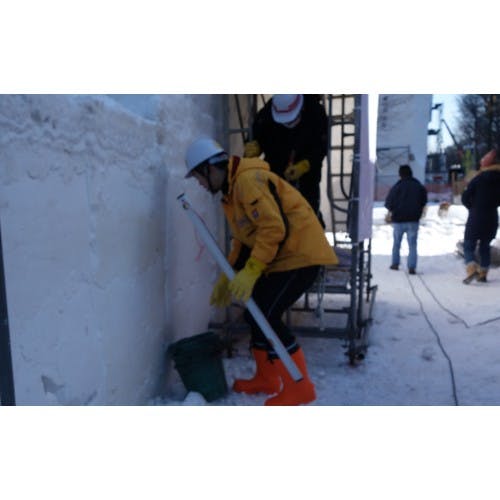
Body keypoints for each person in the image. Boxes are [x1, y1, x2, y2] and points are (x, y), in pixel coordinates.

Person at [184, 137, 338, 406]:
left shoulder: (247, 182)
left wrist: (253, 269)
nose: (199, 184)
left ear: (210, 168)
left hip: (300, 256)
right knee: (255, 313)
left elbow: (273, 229)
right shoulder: (231, 192)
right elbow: (243, 241)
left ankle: (300, 387)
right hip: (283, 258)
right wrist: (229, 275)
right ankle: (267, 378)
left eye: (198, 177)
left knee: (266, 315)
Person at [244, 94, 328, 226]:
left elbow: (321, 146)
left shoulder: (315, 112)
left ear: (300, 108)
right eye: (284, 122)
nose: (287, 124)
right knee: (274, 208)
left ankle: (313, 232)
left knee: (308, 209)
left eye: (290, 120)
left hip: (306, 172)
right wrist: (255, 145)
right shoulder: (269, 112)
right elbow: (257, 131)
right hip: (276, 165)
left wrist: (305, 165)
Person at [461, 148, 500, 284]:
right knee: (485, 246)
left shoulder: (478, 179)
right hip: (492, 216)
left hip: (476, 216)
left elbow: (465, 197)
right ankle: (483, 273)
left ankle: (472, 269)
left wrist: (472, 207)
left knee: (468, 245)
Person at [384, 164, 428, 275]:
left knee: (396, 243)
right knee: (412, 244)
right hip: (413, 220)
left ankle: (395, 264)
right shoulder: (418, 186)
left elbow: (388, 203)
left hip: (398, 220)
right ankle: (412, 267)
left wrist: (394, 210)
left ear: (400, 175)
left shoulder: (396, 187)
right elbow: (424, 201)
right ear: (411, 173)